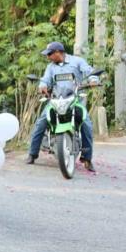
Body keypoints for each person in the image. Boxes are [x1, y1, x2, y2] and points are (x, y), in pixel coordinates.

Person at [26, 41, 98, 172]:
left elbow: (89, 71)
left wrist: (93, 80)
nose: (48, 57)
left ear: (58, 53)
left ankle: (87, 159)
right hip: (56, 100)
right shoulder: (51, 67)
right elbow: (45, 79)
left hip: (75, 100)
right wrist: (42, 86)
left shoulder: (77, 61)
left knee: (86, 124)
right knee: (41, 122)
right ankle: (32, 154)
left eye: (50, 54)